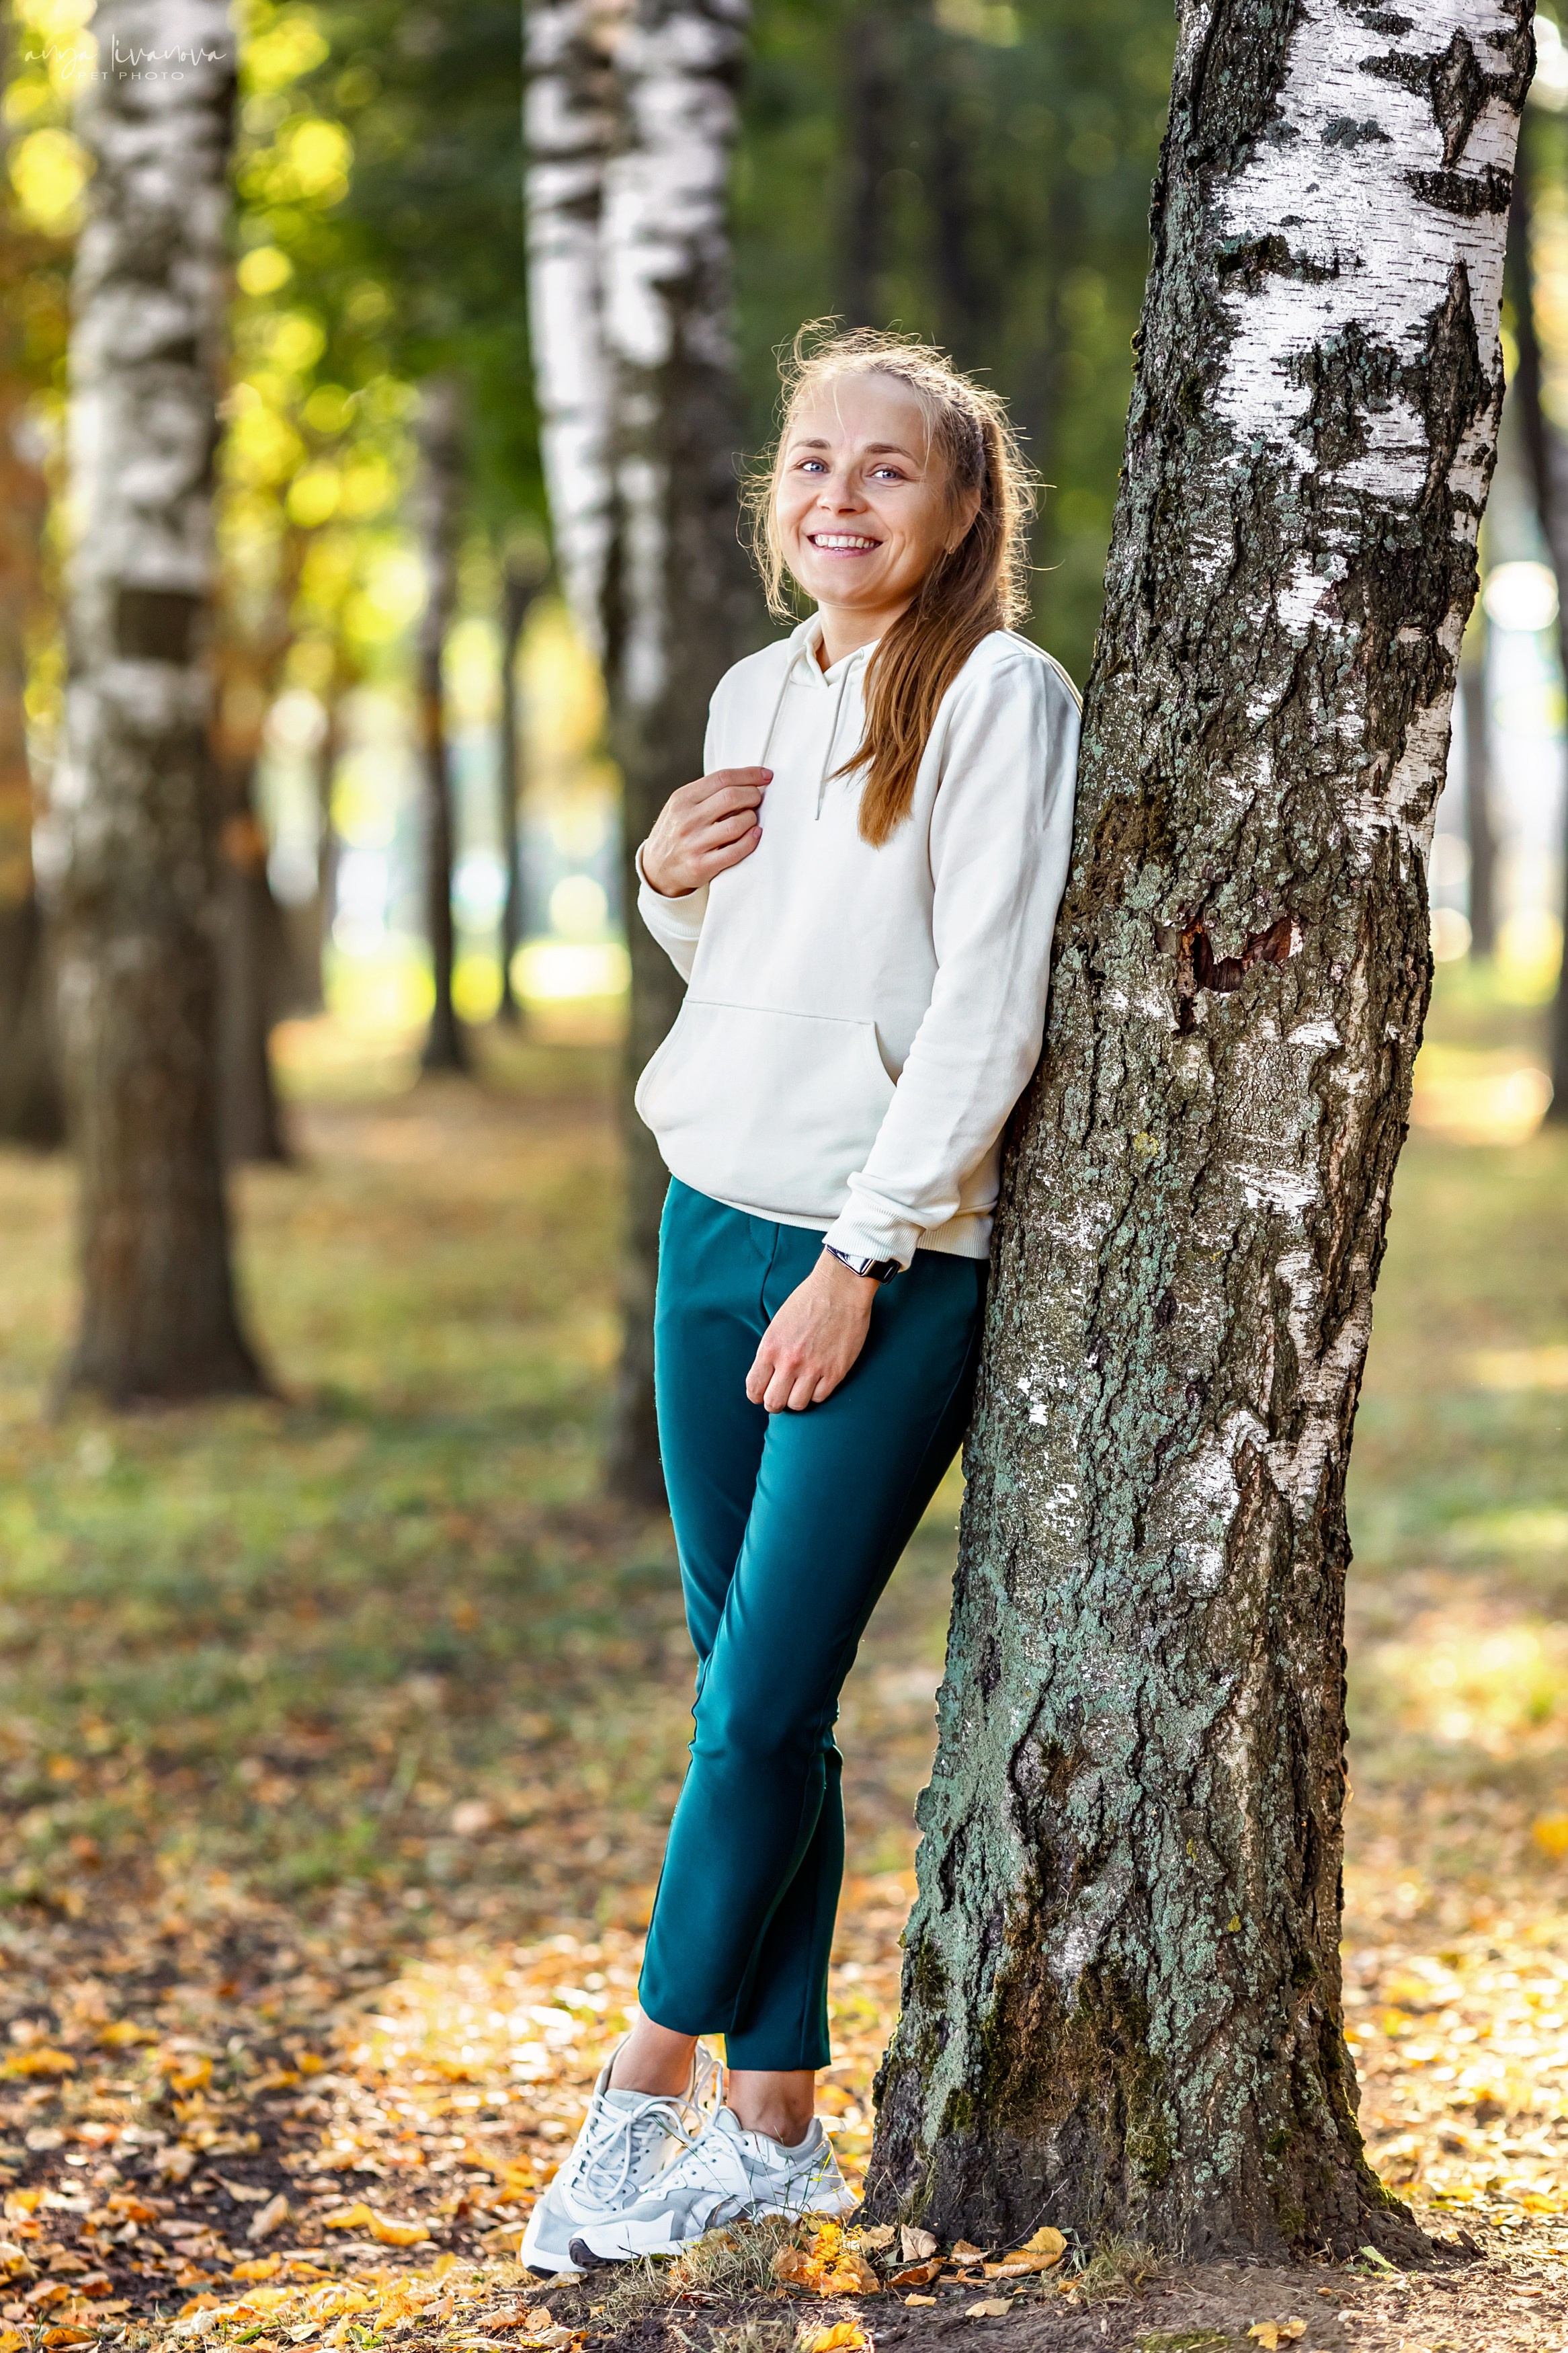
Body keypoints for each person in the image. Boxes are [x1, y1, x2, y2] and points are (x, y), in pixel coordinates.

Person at [522, 325, 1079, 2274]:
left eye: (888, 470)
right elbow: (748, 949)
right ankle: (772, 2120)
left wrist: (867, 1252)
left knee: (757, 1698)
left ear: (960, 510)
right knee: (752, 1697)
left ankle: (637, 2101)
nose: (838, 496)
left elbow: (986, 1004)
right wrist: (670, 884)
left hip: (884, 1259)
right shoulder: (760, 683)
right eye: (812, 464)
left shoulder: (1003, 696)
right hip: (710, 1223)